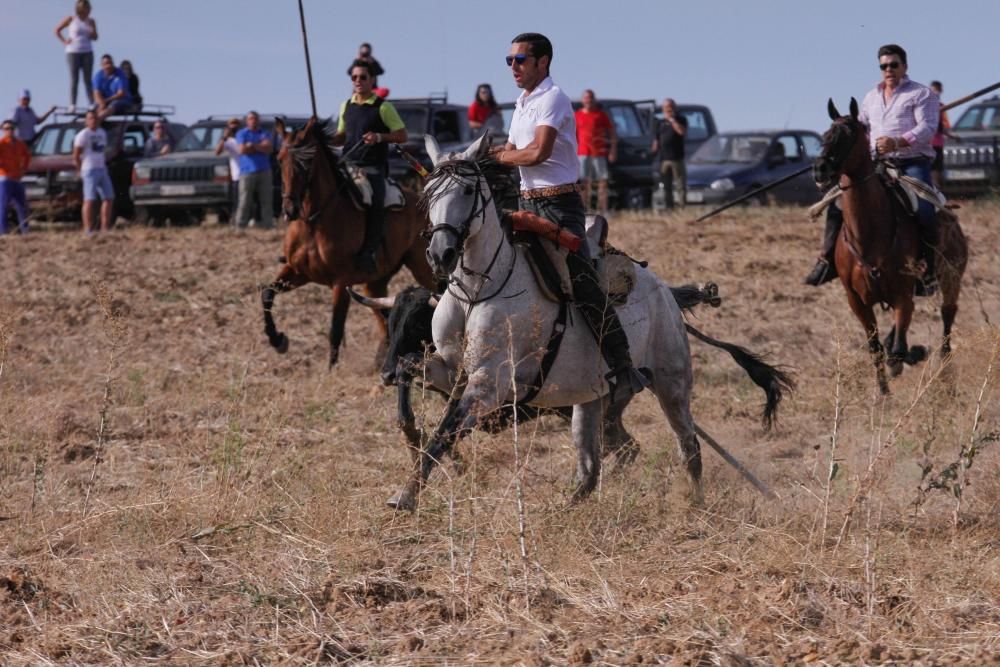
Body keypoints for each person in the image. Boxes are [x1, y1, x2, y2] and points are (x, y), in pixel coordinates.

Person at [494, 32, 647, 403]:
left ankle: (624, 367)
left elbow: (537, 154)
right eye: (509, 60)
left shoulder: (554, 98)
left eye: (520, 60)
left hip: (559, 207)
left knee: (584, 287)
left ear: (542, 62)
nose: (513, 66)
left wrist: (497, 158)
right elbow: (515, 149)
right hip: (526, 204)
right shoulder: (522, 102)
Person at [805, 44, 940, 293]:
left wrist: (898, 141)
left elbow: (928, 127)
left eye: (893, 65)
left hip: (912, 164)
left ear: (904, 66)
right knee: (837, 205)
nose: (888, 69)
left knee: (925, 212)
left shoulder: (922, 94)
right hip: (878, 165)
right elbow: (861, 127)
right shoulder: (871, 97)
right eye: (884, 66)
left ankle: (928, 272)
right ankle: (827, 260)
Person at [331, 61, 408, 272]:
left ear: (372, 80)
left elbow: (402, 135)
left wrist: (379, 136)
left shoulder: (383, 106)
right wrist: (326, 139)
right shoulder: (345, 105)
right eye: (354, 77)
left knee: (375, 200)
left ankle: (370, 250)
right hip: (347, 164)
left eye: (362, 77)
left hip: (373, 166)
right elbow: (341, 135)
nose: (357, 81)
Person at [575, 89, 617, 214]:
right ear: (583, 100)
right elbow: (571, 135)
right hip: (582, 152)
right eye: (586, 97)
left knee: (602, 182)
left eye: (591, 97)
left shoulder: (601, 115)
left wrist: (613, 149)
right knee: (584, 182)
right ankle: (583, 210)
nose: (588, 100)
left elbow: (612, 132)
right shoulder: (576, 115)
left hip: (599, 153)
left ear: (594, 99)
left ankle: (603, 210)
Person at [72, 110, 114, 234]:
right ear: (86, 120)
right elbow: (76, 155)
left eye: (95, 118)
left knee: (109, 198)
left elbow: (103, 151)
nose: (93, 120)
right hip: (89, 169)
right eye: (90, 118)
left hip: (101, 168)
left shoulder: (102, 132)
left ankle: (105, 228)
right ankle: (88, 229)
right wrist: (79, 170)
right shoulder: (83, 135)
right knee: (89, 199)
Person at [233, 111, 274, 229]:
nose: (253, 121)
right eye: (251, 119)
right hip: (247, 171)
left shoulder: (264, 133)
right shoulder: (242, 133)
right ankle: (240, 226)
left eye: (255, 118)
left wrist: (252, 146)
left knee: (266, 200)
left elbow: (269, 148)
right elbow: (241, 150)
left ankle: (268, 225)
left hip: (264, 170)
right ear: (247, 121)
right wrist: (260, 146)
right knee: (245, 200)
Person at [55, 0, 98, 111]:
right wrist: (64, 41)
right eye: (86, 8)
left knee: (87, 79)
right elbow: (57, 30)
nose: (88, 10)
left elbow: (96, 37)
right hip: (73, 51)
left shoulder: (91, 21)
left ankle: (91, 103)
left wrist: (92, 33)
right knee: (75, 79)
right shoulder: (71, 19)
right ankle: (72, 104)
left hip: (87, 51)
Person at [651, 98, 688, 209]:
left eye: (670, 106)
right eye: (666, 107)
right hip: (664, 159)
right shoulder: (659, 123)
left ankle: (681, 206)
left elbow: (682, 132)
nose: (668, 109)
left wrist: (672, 120)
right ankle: (669, 206)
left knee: (680, 185)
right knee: (666, 186)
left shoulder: (681, 119)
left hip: (677, 158)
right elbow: (656, 141)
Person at [0, 119, 32, 235]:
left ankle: (25, 230)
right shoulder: (2, 143)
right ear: (3, 130)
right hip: (5, 179)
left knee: (22, 205)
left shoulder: (19, 143)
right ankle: (3, 231)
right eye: (7, 128)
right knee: (3, 206)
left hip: (17, 178)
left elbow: (27, 155)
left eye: (12, 128)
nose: (10, 131)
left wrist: (24, 169)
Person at [929, 80, 959, 189]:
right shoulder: (926, 106)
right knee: (933, 169)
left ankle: (936, 189)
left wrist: (952, 136)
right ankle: (935, 189)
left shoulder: (942, 107)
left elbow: (943, 127)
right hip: (929, 143)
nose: (935, 92)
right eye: (933, 90)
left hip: (938, 144)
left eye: (937, 90)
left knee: (937, 169)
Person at [214, 117, 242, 215]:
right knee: (237, 199)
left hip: (248, 172)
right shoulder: (228, 141)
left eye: (236, 124)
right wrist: (224, 137)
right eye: (231, 124)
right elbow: (217, 152)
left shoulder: (243, 137)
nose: (234, 126)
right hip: (236, 175)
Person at [92, 54, 132, 120]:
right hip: (104, 102)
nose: (108, 66)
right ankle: (90, 123)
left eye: (110, 63)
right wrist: (101, 103)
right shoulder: (98, 76)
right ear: (102, 65)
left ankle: (97, 120)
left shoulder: (120, 74)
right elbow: (96, 93)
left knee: (113, 105)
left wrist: (106, 101)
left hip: (121, 101)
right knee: (93, 108)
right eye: (106, 64)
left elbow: (121, 93)